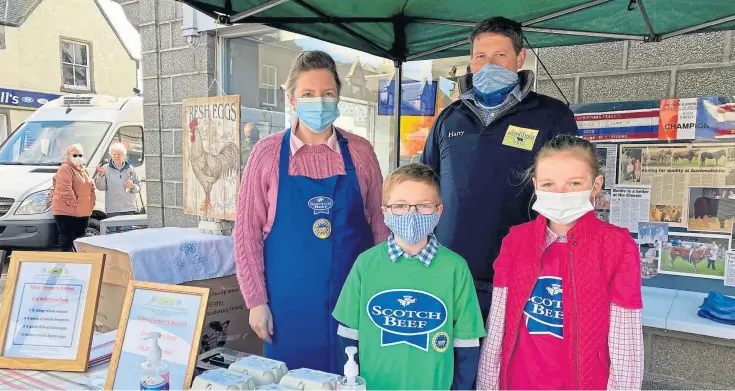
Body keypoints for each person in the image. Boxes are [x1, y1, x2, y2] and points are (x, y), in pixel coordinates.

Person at [233, 50, 390, 373]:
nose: (318, 102)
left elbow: (380, 224)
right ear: (292, 100)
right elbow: (246, 234)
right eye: (308, 94)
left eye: (327, 94)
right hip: (287, 311)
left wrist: (382, 290)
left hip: (353, 303)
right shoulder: (265, 154)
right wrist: (256, 302)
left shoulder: (361, 152)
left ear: (338, 98)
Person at [420, 17, 578, 320]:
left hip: (523, 277)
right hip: (452, 274)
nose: (488, 65)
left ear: (520, 58)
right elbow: (426, 183)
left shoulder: (552, 116)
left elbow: (570, 194)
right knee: (458, 364)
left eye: (500, 56)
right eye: (481, 56)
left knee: (511, 366)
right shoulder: (450, 118)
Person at [476, 135, 643, 390]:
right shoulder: (516, 240)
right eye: (549, 184)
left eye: (574, 183)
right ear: (535, 185)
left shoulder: (617, 246)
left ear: (595, 184)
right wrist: (487, 385)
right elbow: (498, 325)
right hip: (519, 381)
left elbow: (625, 344)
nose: (560, 193)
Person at [333, 163, 485, 390]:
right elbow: (347, 336)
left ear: (439, 210)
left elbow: (467, 343)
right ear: (384, 211)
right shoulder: (366, 264)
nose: (411, 214)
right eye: (400, 206)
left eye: (424, 206)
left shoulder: (455, 268)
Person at [51, 144, 95, 251]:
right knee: (67, 239)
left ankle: (80, 264)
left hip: (83, 211)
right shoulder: (65, 168)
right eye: (75, 155)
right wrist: (76, 203)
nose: (78, 157)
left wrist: (91, 203)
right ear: (68, 155)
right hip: (66, 211)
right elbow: (64, 188)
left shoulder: (83, 169)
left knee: (81, 239)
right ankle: (67, 264)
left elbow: (91, 187)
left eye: (80, 155)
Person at [95, 142, 141, 232]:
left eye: (119, 154)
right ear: (111, 155)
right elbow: (100, 187)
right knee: (113, 234)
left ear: (124, 155)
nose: (116, 156)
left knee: (128, 234)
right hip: (113, 208)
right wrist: (100, 175)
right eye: (114, 154)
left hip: (128, 207)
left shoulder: (130, 169)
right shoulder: (105, 168)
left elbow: (138, 187)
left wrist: (132, 186)